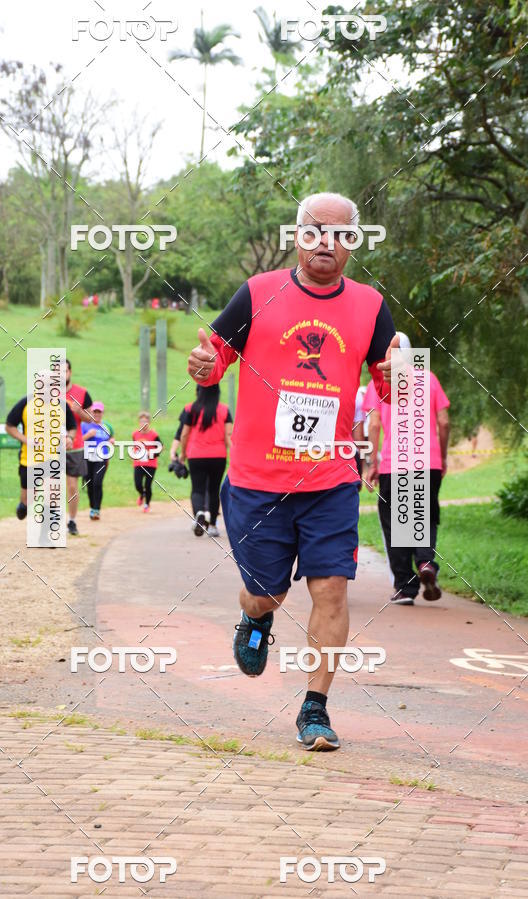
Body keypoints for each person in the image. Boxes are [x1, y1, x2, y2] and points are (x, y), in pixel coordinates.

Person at [187, 192, 398, 751]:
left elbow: (387, 387)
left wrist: (398, 372)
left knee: (330, 589)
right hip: (258, 481)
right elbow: (215, 358)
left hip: (330, 480)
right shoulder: (258, 292)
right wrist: (204, 365)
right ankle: (255, 620)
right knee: (267, 594)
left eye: (339, 233)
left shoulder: (372, 307)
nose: (326, 242)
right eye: (314, 231)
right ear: (297, 235)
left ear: (354, 241)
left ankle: (315, 708)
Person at [364, 332, 451, 605]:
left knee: (396, 521)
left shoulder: (379, 382)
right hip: (429, 463)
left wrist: (372, 462)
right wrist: (443, 457)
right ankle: (425, 562)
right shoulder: (430, 379)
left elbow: (374, 424)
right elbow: (444, 422)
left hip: (394, 464)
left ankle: (405, 587)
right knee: (424, 515)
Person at [6, 395, 76, 521]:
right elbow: (9, 426)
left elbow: (72, 427)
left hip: (53, 458)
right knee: (28, 500)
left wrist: (69, 438)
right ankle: (24, 506)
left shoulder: (62, 405)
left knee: (50, 495)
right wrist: (26, 440)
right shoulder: (26, 403)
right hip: (29, 459)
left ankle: (45, 536)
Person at [179, 385, 232, 538]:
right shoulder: (224, 410)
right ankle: (214, 525)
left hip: (196, 455)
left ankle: (200, 515)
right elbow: (229, 435)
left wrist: (183, 454)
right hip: (218, 456)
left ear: (199, 392)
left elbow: (184, 434)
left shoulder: (191, 409)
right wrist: (233, 455)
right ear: (217, 392)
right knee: (214, 490)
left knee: (197, 489)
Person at [65, 359, 93, 536]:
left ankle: (72, 521)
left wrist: (78, 411)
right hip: (51, 446)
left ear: (70, 372)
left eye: (65, 371)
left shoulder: (82, 393)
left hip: (74, 446)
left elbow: (91, 419)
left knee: (72, 487)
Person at [81, 401, 114, 520]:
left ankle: (96, 510)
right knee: (90, 484)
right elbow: (77, 442)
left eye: (99, 412)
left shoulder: (107, 426)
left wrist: (111, 442)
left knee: (97, 483)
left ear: (102, 413)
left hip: (101, 458)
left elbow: (111, 438)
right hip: (88, 458)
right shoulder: (84, 425)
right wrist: (88, 436)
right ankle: (92, 507)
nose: (96, 414)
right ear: (91, 412)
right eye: (94, 412)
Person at [132, 411, 162, 512]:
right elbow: (134, 446)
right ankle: (142, 494)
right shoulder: (135, 434)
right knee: (138, 484)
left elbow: (160, 447)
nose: (143, 424)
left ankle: (147, 505)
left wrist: (151, 454)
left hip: (150, 464)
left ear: (149, 422)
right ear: (139, 422)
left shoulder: (153, 435)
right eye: (141, 421)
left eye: (145, 421)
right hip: (138, 464)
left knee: (148, 485)